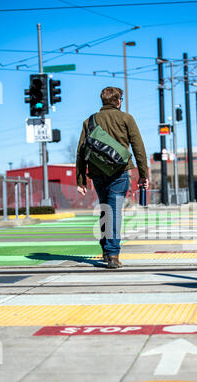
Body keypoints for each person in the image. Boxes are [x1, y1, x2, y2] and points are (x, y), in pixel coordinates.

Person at [76, 86, 149, 269]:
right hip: (119, 172)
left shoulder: (90, 121)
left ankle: (106, 248)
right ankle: (113, 254)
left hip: (98, 172)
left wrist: (81, 179)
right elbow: (138, 147)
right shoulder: (126, 118)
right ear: (118, 101)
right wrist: (143, 174)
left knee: (105, 209)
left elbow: (81, 151)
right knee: (113, 210)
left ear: (103, 101)